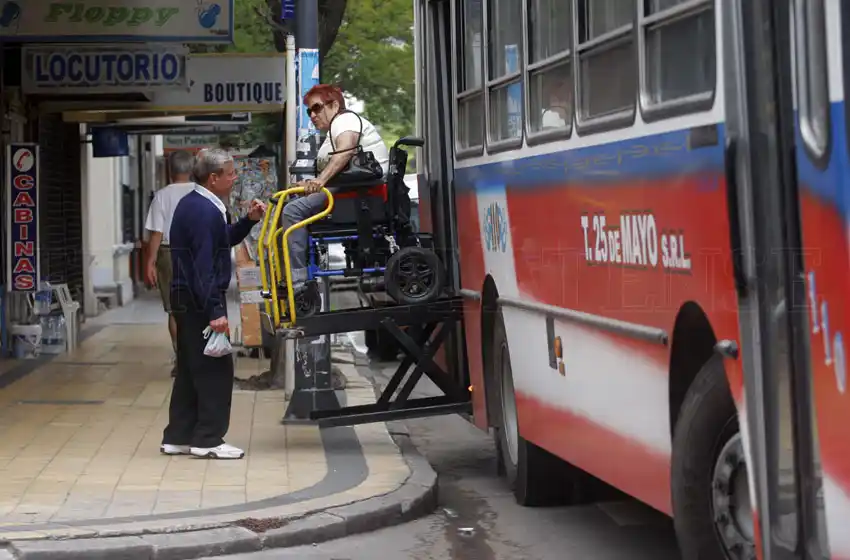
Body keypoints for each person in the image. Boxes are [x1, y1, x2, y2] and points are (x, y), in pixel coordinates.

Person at [160, 148, 266, 460]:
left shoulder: (196, 204)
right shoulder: (204, 211)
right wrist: (216, 312)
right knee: (215, 370)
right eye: (231, 174)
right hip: (199, 298)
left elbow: (222, 240)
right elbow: (204, 266)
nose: (235, 178)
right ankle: (207, 439)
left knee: (192, 369)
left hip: (187, 296)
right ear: (214, 178)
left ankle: (178, 436)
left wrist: (248, 221)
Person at [284, 84, 389, 295]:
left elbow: (345, 152)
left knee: (291, 211)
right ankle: (295, 272)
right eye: (309, 111)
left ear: (334, 104)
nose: (312, 115)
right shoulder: (334, 128)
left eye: (316, 108)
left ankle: (298, 282)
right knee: (287, 204)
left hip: (358, 195)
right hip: (348, 191)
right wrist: (310, 184)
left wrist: (320, 181)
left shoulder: (345, 120)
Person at [143, 150, 196, 376]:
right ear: (192, 170)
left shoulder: (162, 196)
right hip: (196, 252)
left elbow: (156, 233)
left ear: (170, 170)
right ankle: (197, 356)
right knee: (196, 306)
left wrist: (150, 262)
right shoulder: (200, 193)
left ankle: (181, 358)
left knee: (175, 310)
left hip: (169, 252)